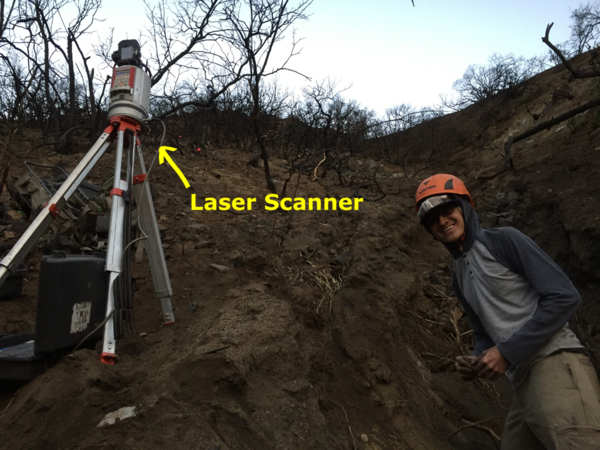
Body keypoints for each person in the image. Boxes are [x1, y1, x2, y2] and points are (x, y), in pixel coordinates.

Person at [414, 173, 600, 449]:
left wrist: (506, 353)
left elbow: (563, 297)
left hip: (555, 363)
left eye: (447, 209)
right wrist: (476, 359)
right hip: (522, 383)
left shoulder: (503, 241)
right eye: (432, 219)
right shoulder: (458, 275)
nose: (442, 221)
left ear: (465, 207)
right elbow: (484, 333)